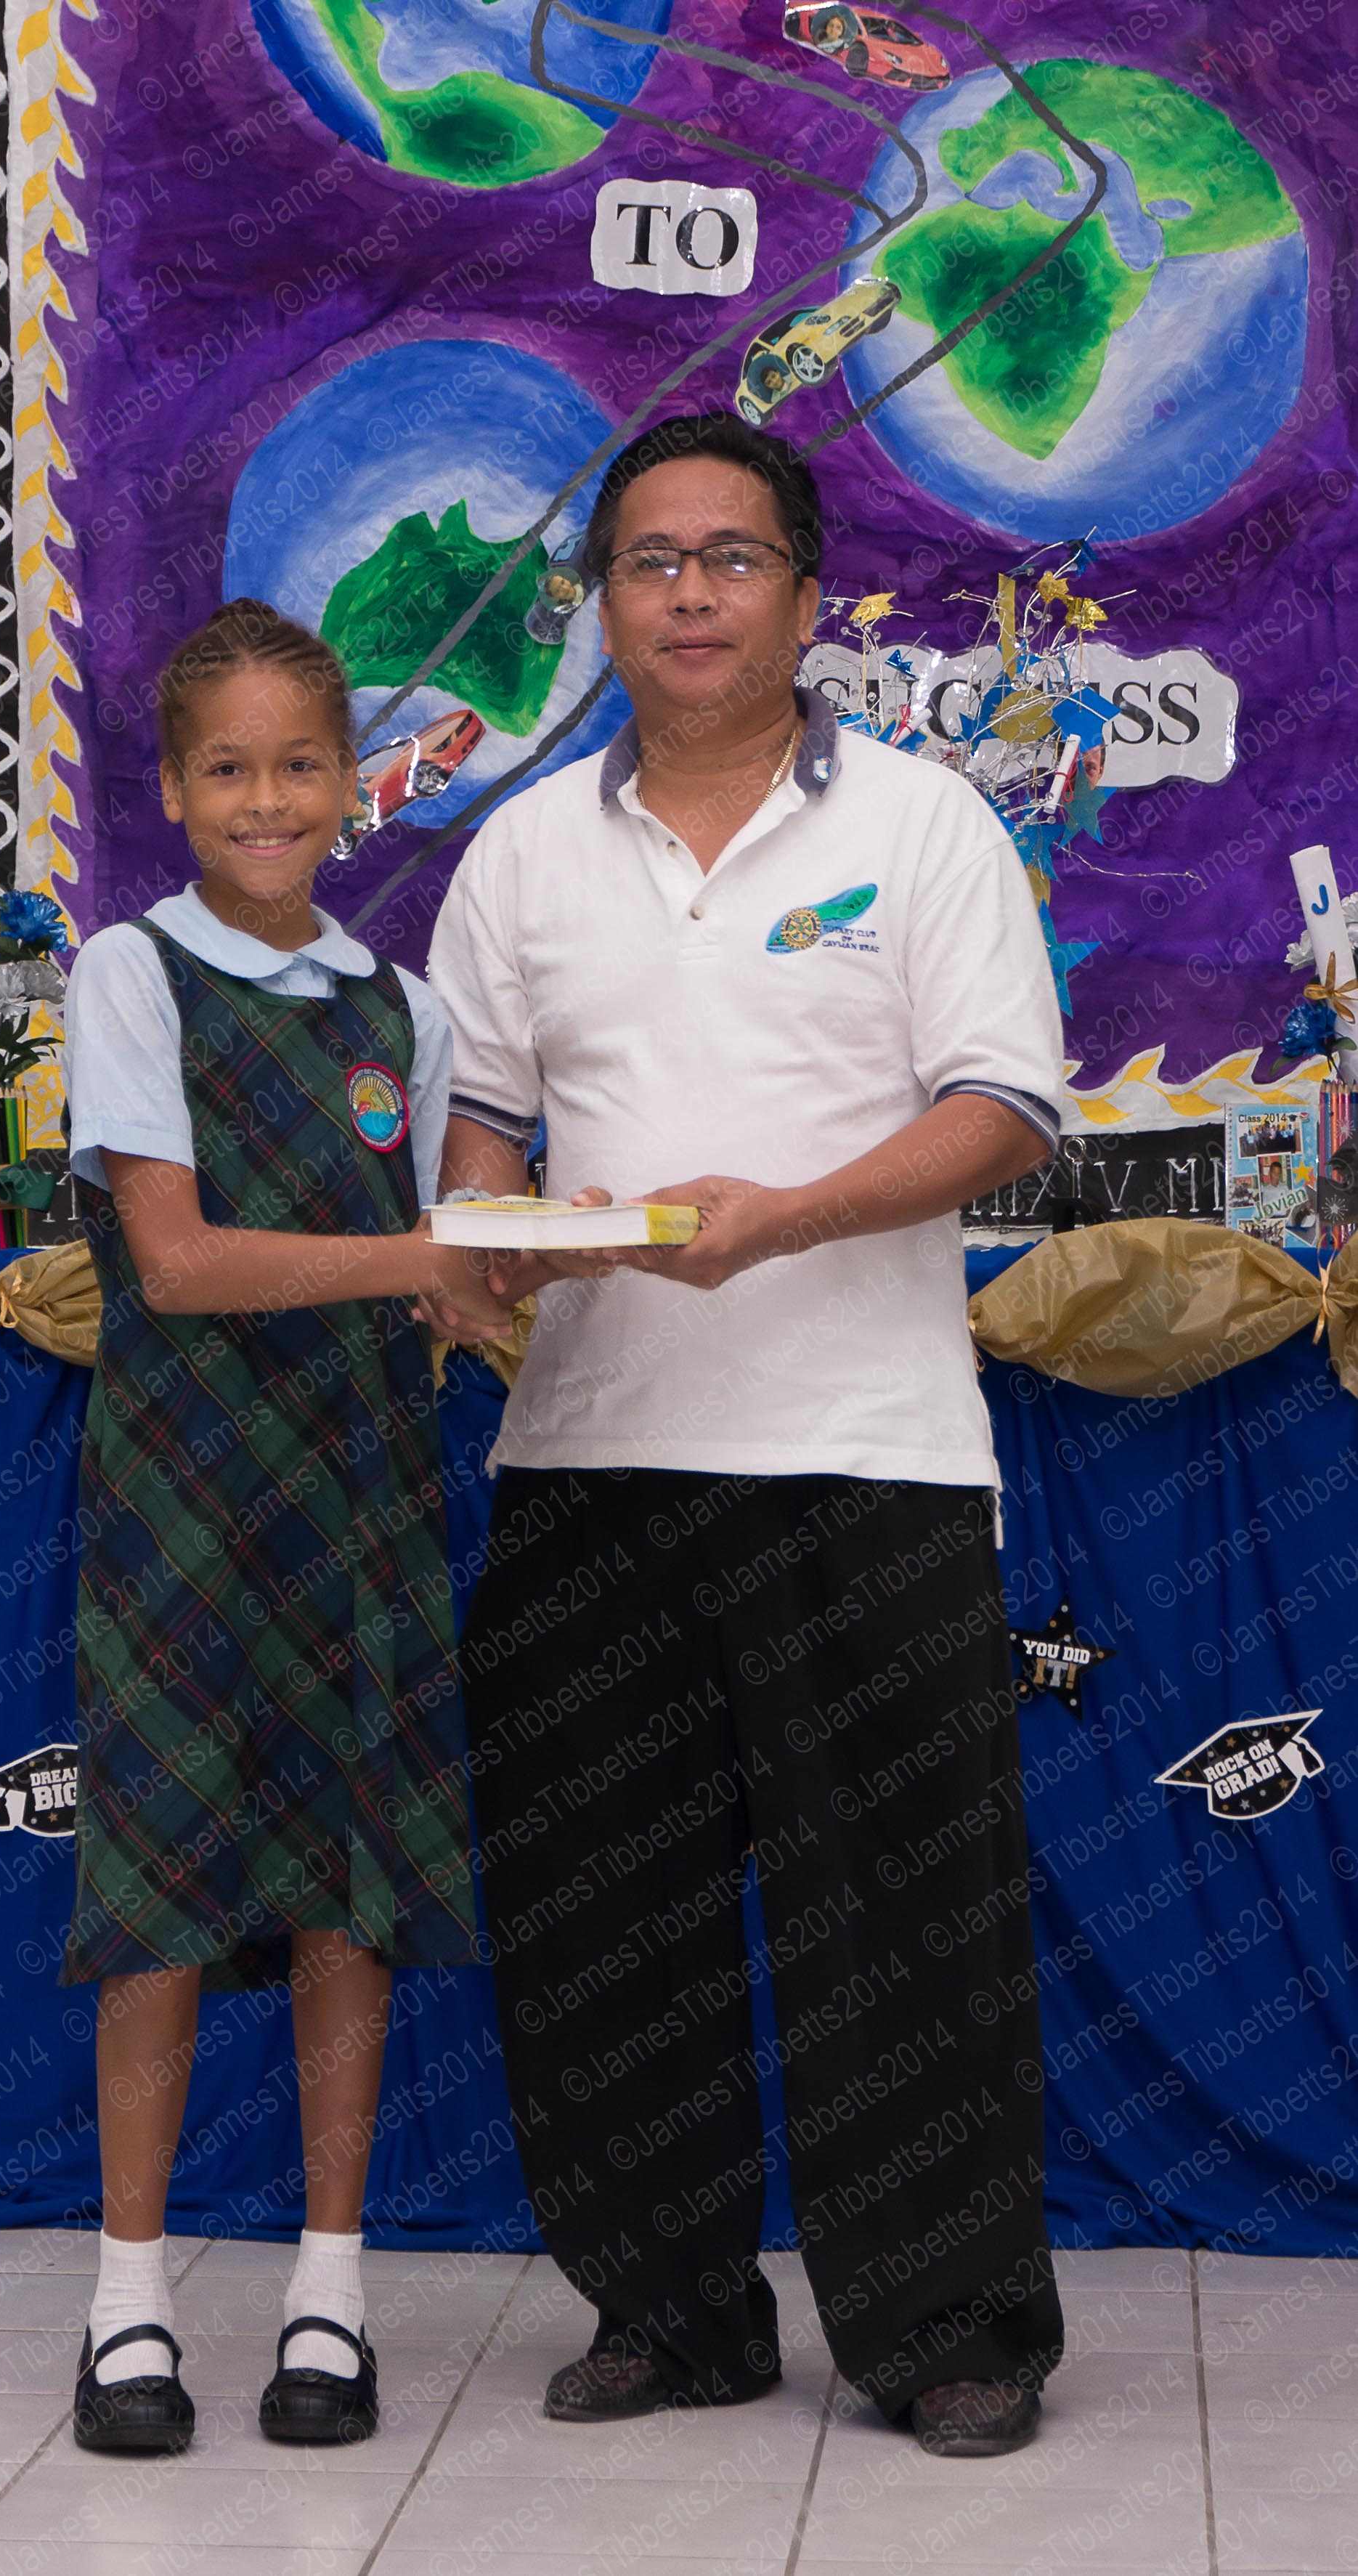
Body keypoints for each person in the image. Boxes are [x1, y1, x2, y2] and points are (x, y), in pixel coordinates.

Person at [426, 413, 1069, 2459]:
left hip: (865, 1455)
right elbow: (481, 1119)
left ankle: (948, 2330)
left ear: (804, 597)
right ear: (597, 602)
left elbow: (1006, 1112)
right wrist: (472, 1245)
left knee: (901, 1919)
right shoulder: (522, 850)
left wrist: (779, 1217)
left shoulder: (923, 824)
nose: (687, 594)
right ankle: (669, 2308)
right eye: (647, 560)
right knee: (599, 1917)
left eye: (728, 557)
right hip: (585, 1458)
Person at [57, 598, 508, 2456]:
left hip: (361, 1497)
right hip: (179, 1503)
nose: (266, 800)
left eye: (301, 765)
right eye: (228, 768)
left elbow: (453, 1256)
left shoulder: (400, 1011)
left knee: (348, 1887)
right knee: (158, 1885)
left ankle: (331, 2288)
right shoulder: (130, 974)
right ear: (172, 791)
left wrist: (519, 1262)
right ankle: (127, 2299)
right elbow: (172, 1261)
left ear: (352, 784)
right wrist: (425, 1259)